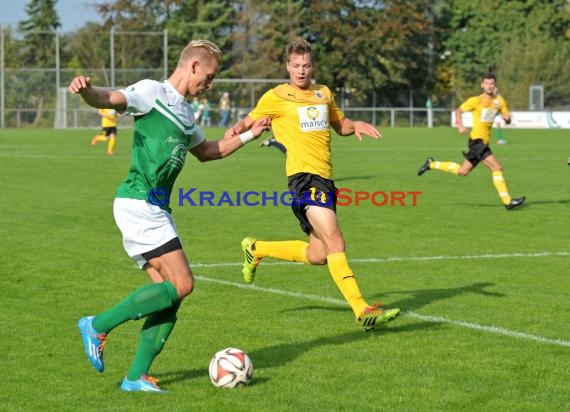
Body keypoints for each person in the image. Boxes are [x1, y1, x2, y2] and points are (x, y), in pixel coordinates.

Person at [69, 39, 270, 393]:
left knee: (171, 295)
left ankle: (135, 378)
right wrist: (87, 92)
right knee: (183, 284)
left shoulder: (186, 112)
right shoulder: (152, 92)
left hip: (155, 208)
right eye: (208, 76)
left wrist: (252, 133)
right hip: (139, 203)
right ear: (193, 66)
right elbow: (109, 98)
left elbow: (208, 151)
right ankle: (96, 325)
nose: (209, 84)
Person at [226, 38, 400, 331]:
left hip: (326, 179)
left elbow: (340, 125)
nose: (301, 70)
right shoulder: (277, 96)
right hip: (303, 179)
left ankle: (256, 248)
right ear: (287, 67)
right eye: (295, 65)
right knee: (336, 240)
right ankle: (362, 309)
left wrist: (355, 125)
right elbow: (247, 121)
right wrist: (236, 130)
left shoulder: (324, 93)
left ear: (312, 66)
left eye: (306, 65)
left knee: (318, 254)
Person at [417, 72, 525, 210]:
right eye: (486, 83)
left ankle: (432, 164)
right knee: (497, 168)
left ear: (495, 85)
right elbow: (458, 111)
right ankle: (507, 201)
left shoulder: (499, 101)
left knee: (463, 171)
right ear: (482, 85)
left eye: (492, 84)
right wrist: (460, 126)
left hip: (483, 142)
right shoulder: (476, 100)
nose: (489, 86)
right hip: (476, 141)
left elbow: (507, 118)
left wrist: (507, 119)